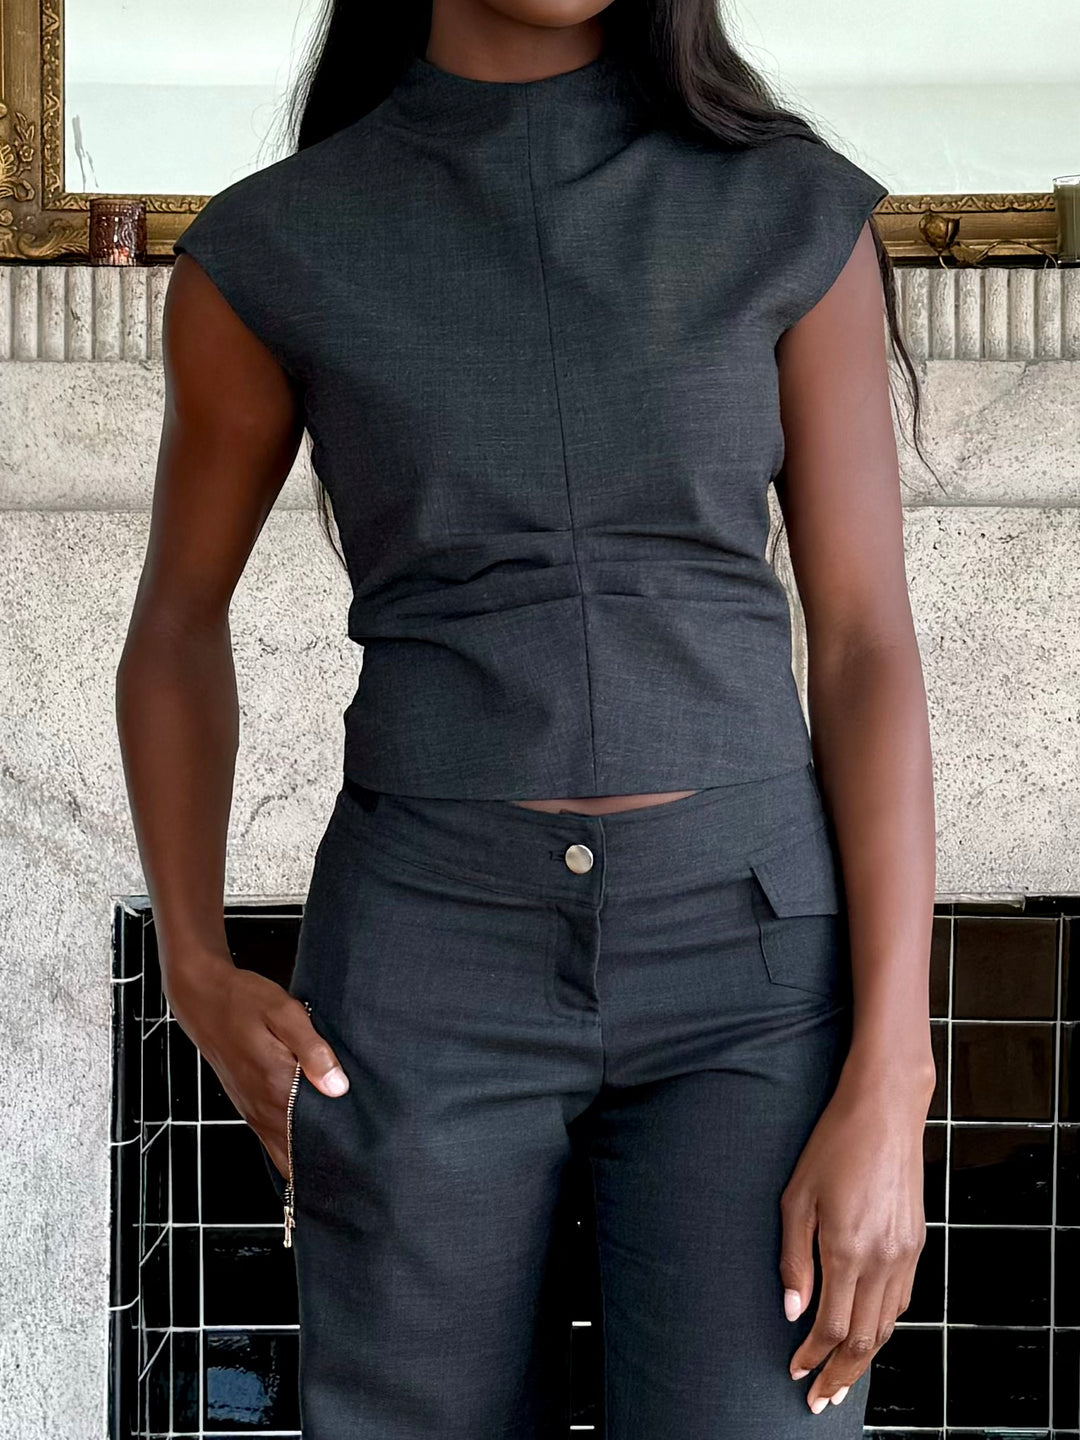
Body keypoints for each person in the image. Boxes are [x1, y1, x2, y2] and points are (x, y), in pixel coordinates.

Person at [116, 0, 938, 1435]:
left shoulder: (789, 214)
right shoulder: (279, 248)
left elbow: (865, 646)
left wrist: (895, 1070)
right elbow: (177, 625)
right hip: (423, 961)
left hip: (749, 976)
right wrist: (190, 962)